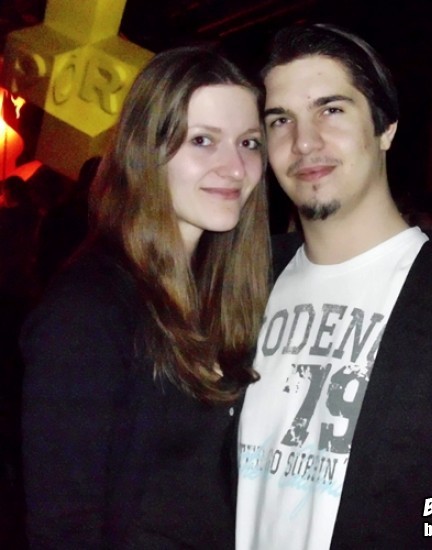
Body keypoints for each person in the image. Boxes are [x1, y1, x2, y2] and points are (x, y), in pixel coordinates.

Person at [236, 23, 432, 548]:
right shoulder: (245, 282)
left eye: (331, 110)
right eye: (281, 119)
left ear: (386, 128)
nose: (304, 141)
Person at [20, 45, 270, 549]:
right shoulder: (89, 310)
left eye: (249, 143)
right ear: (145, 150)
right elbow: (64, 525)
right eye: (203, 140)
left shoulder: (224, 295)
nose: (236, 168)